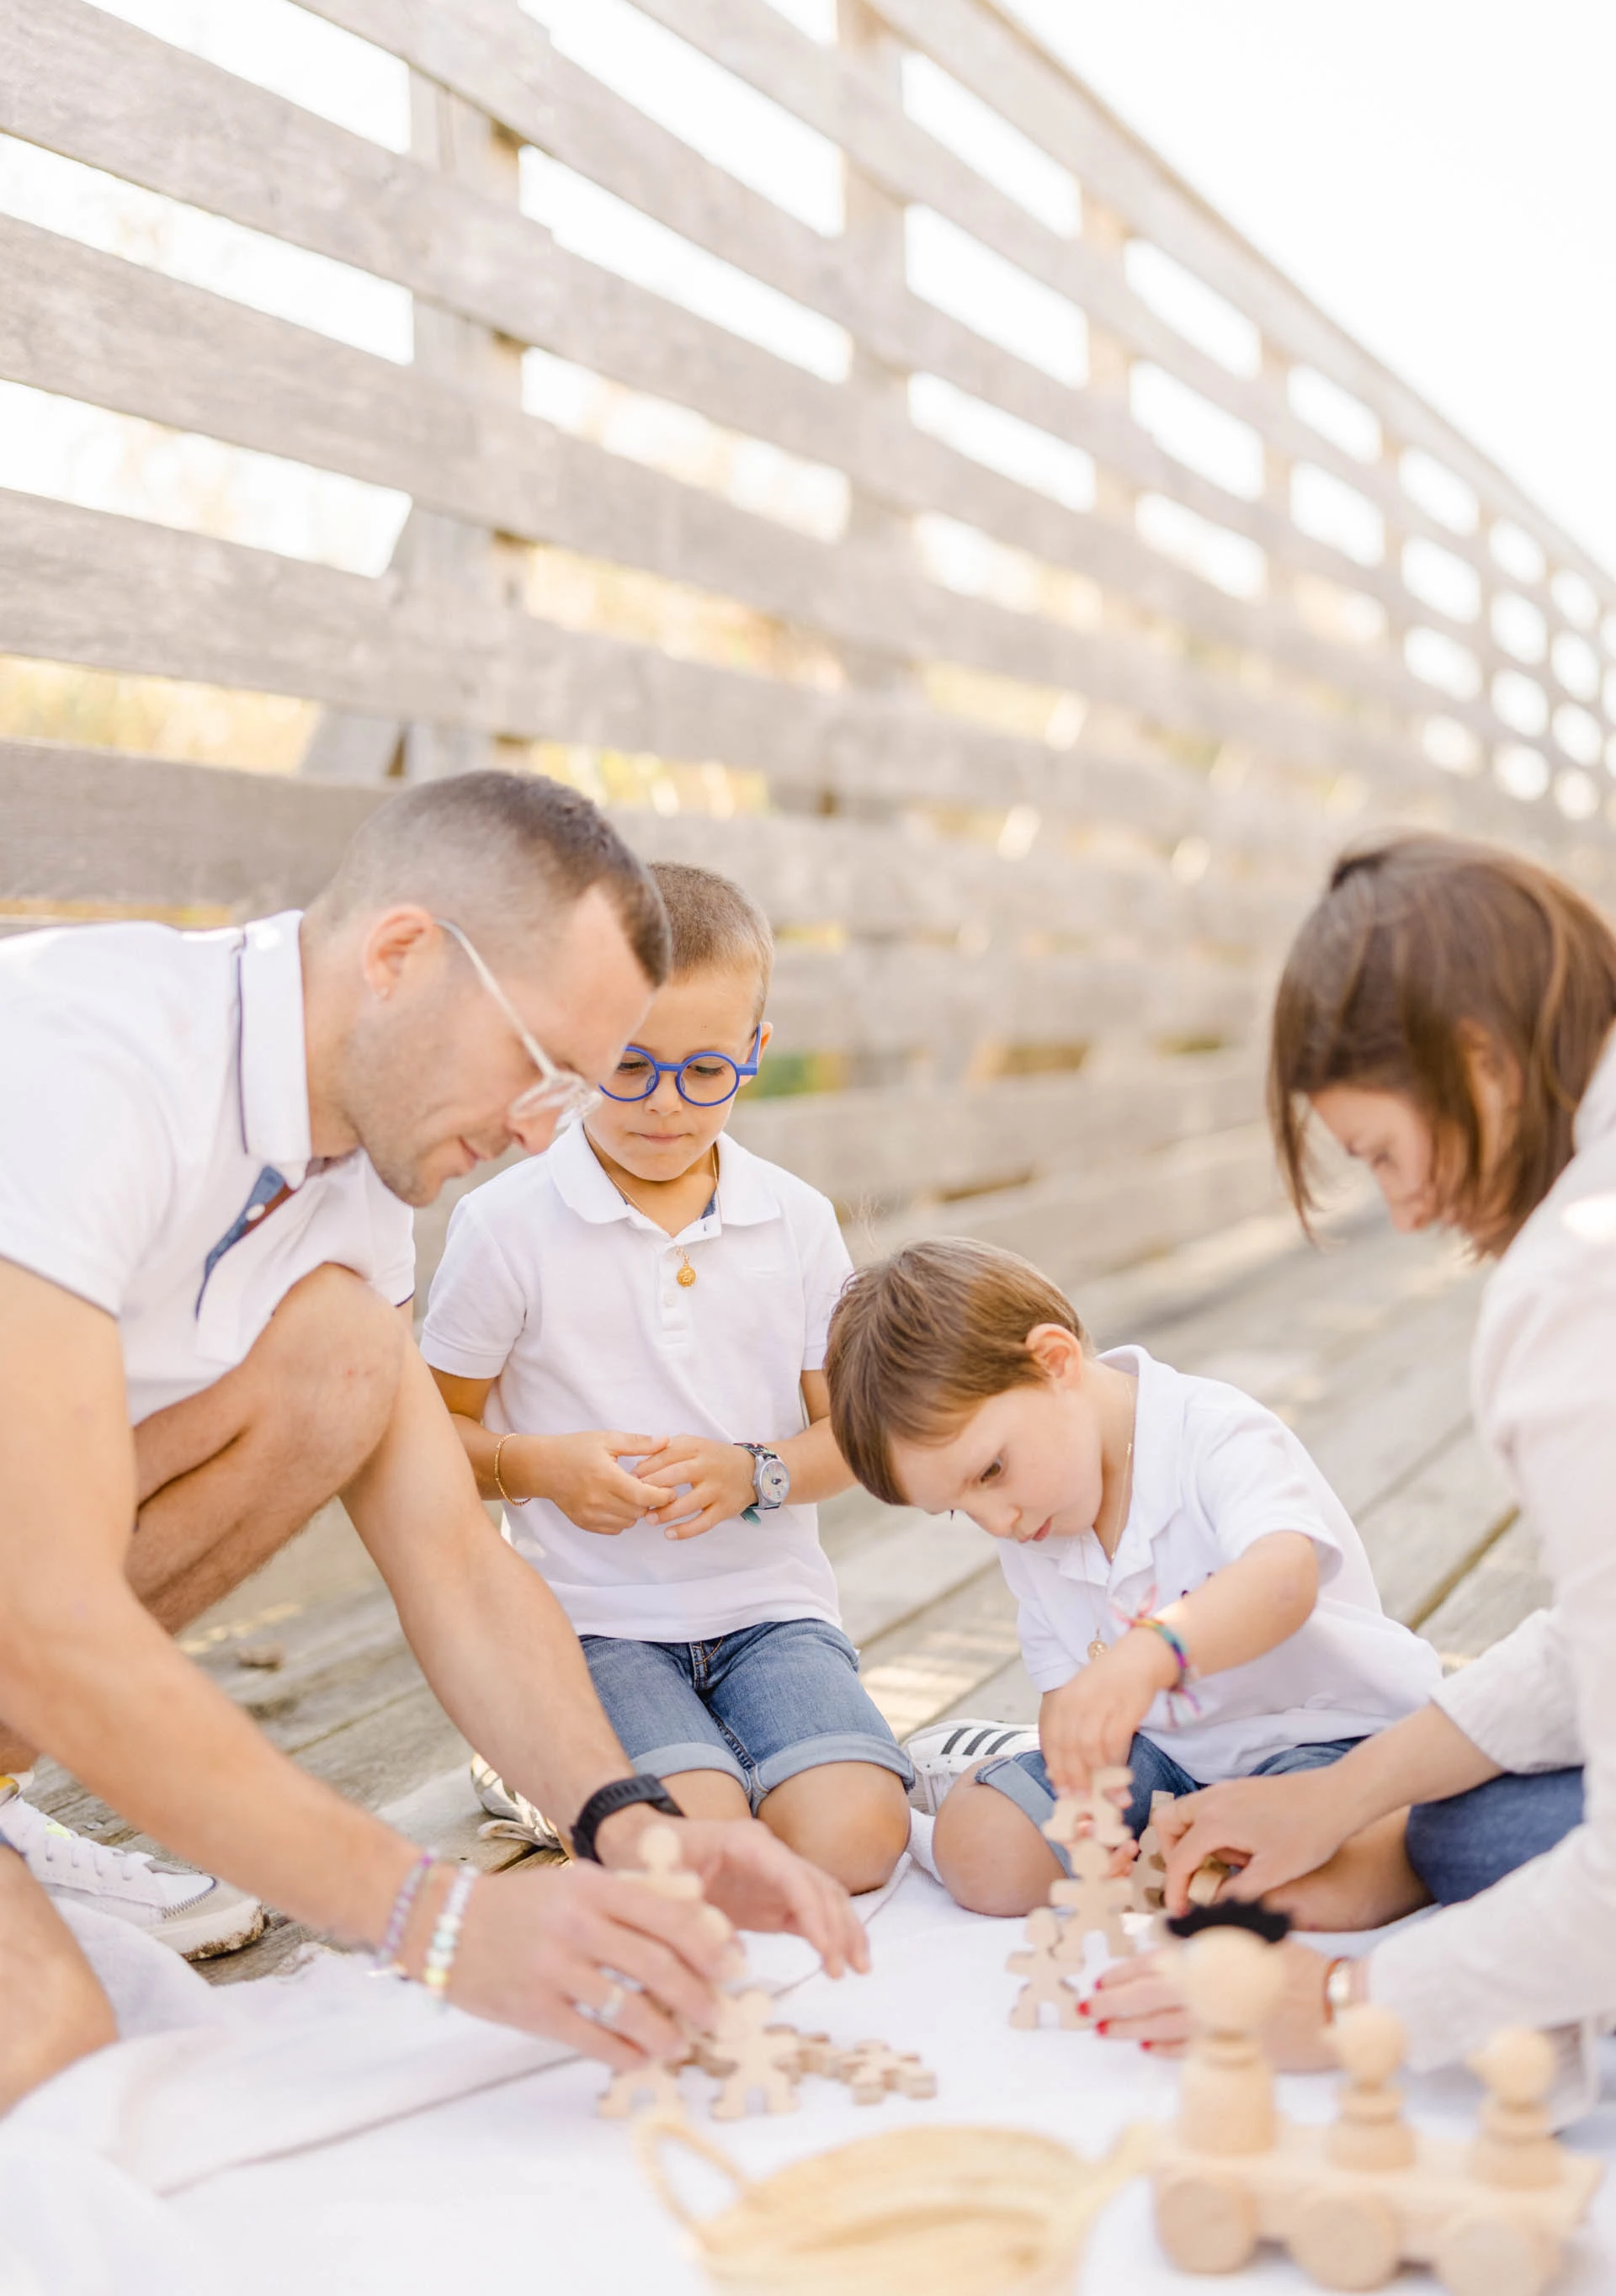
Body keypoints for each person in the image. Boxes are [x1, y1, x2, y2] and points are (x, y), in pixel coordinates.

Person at [0, 774, 864, 2117]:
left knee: (347, 1356)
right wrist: (435, 1922)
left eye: (580, 1086)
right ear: (400, 955)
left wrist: (631, 1826)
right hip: (25, 1599)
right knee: (43, 2050)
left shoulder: (356, 1184)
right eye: (539, 1063)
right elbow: (39, 1606)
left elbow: (454, 1556)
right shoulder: (91, 1061)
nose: (546, 1128)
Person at [1087, 834, 1616, 2102]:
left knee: (1497, 1857)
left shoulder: (1576, 1286)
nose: (1412, 1212)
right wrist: (1341, 1794)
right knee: (1464, 1820)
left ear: (1482, 1066)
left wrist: (1341, 2002)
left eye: (1382, 1153)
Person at [423, 864, 914, 1895]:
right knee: (693, 1851)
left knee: (858, 1840)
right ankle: (531, 1759)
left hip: (770, 1617)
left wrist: (756, 1474)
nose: (665, 1106)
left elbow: (851, 1441)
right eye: (629, 1068)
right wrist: (540, 1466)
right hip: (592, 1627)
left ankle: (741, 1759)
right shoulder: (508, 1227)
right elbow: (428, 1444)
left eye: (705, 1074)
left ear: (754, 1054)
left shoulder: (795, 1220)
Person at [824, 1236, 1441, 1916]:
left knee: (1308, 1891)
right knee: (977, 1852)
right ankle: (1141, 1848)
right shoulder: (1035, 1516)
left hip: (1326, 1744)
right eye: (957, 1510)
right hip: (1168, 1756)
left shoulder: (1211, 1434)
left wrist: (1155, 1651)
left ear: (1056, 1363)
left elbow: (1284, 1576)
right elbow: (1066, 1692)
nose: (996, 1521)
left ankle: (1232, 1850)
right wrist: (1084, 1796)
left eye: (991, 1471)